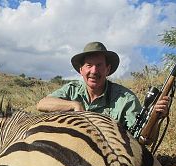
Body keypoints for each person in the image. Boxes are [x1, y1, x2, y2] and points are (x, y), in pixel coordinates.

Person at [37, 41, 169, 131]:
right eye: (89, 65)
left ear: (107, 69)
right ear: (80, 70)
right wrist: (74, 105)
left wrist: (155, 119)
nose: (94, 71)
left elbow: (142, 137)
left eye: (99, 65)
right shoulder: (71, 90)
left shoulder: (126, 98)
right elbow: (42, 104)